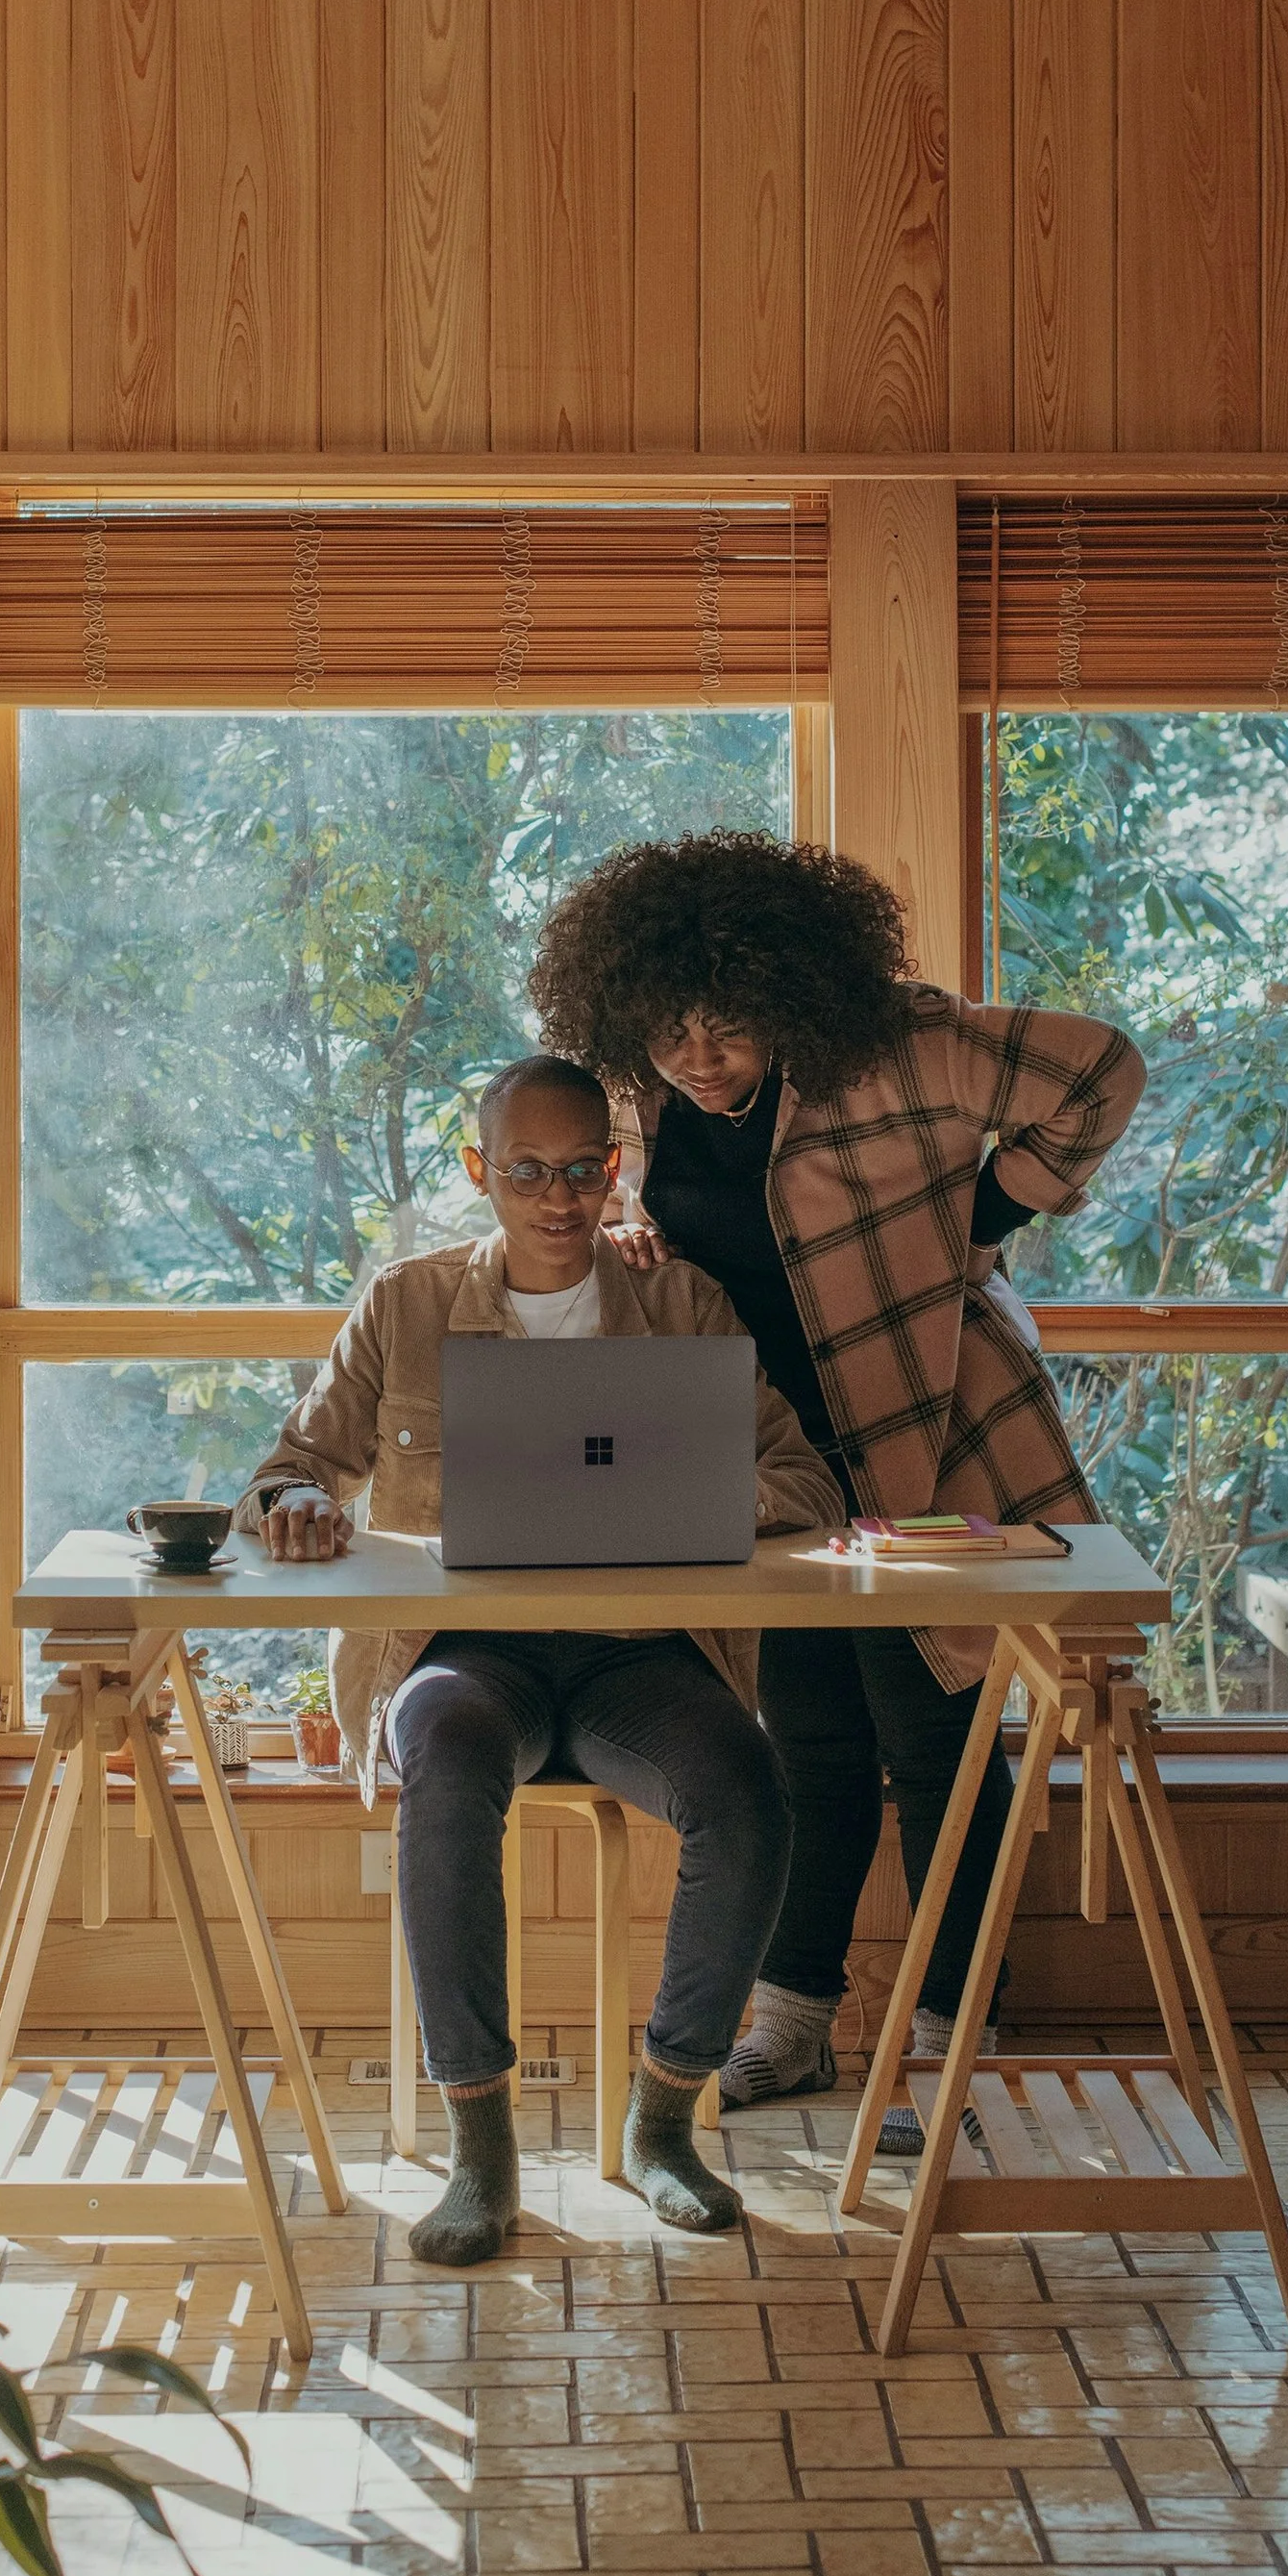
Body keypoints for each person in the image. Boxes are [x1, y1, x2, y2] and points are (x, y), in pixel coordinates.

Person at [527, 834, 1144, 2133]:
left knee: (940, 1735)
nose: (698, 1055)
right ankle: (795, 2024)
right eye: (667, 1029)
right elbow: (650, 1206)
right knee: (806, 1734)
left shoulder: (901, 1045)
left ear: (791, 991)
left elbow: (1100, 1065)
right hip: (776, 1463)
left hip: (933, 1426)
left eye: (730, 1026)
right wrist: (630, 1219)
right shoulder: (642, 1097)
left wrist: (986, 1215)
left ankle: (947, 2043)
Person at [234, 1054, 843, 2267]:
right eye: (527, 1172)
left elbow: (806, 1482)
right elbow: (285, 1466)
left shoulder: (681, 1303)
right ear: (479, 1172)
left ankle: (667, 2120)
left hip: (641, 1661)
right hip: (466, 1653)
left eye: (582, 1170)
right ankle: (482, 2151)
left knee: (748, 1792)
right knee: (446, 1771)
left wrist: (685, 1495)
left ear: (612, 1169)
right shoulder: (405, 1304)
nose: (558, 1198)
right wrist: (294, 1505)